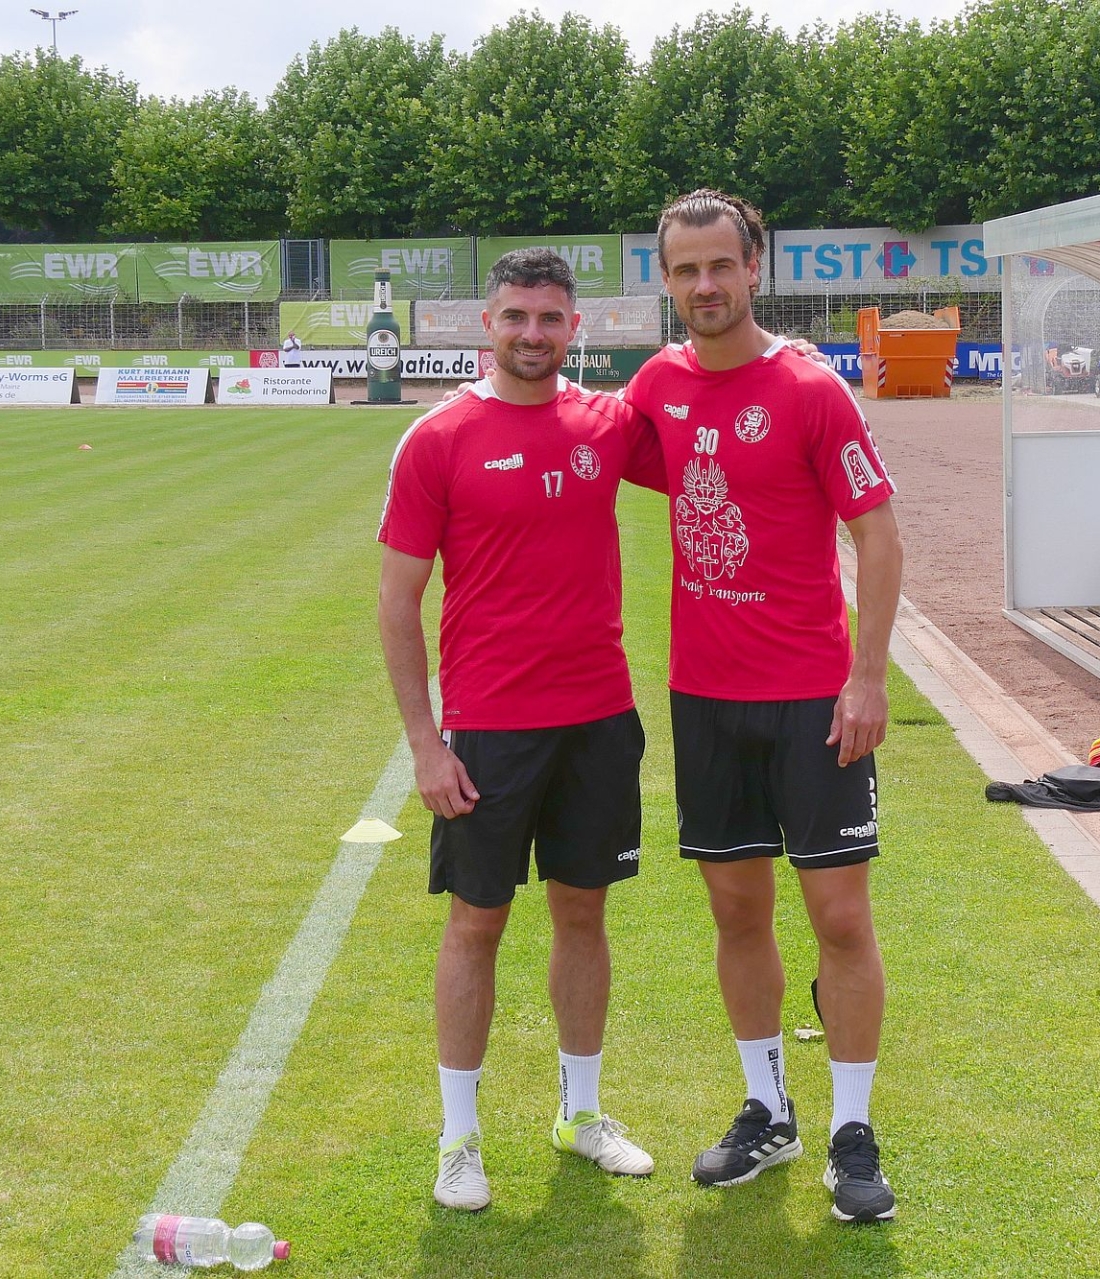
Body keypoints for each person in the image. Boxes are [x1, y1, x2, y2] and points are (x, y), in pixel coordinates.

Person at [620, 189, 904, 1225]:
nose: (705, 285)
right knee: (737, 912)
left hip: (813, 701)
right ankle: (767, 1107)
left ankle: (852, 1130)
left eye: (720, 265)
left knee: (840, 916)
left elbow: (878, 534)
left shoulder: (811, 390)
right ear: (667, 280)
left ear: (754, 268)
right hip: (705, 699)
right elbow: (582, 443)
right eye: (685, 269)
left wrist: (866, 677)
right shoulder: (656, 385)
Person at [377, 248, 661, 1213]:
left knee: (584, 914)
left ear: (574, 327)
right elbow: (397, 602)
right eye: (515, 316)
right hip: (489, 729)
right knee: (477, 922)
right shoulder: (438, 439)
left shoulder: (605, 425)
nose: (531, 334)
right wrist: (426, 743)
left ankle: (580, 1113)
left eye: (548, 318)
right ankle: (459, 1140)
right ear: (486, 324)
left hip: (599, 718)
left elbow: (705, 426)